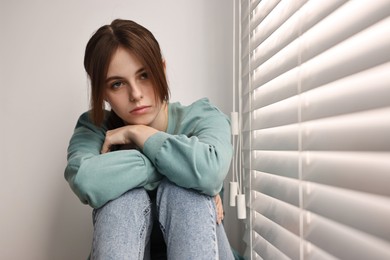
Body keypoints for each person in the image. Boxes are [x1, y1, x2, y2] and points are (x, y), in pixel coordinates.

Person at [65, 19, 234, 259]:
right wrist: (183, 166)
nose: (135, 94)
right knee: (124, 201)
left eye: (144, 75)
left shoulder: (202, 116)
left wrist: (141, 135)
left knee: (183, 193)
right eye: (117, 84)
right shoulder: (94, 127)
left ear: (161, 70)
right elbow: (85, 180)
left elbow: (211, 170)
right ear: (102, 92)